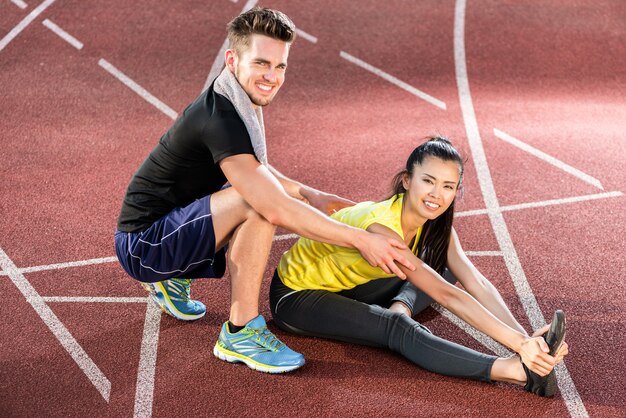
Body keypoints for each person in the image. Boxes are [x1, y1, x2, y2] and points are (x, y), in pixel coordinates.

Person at [114, 7, 414, 374]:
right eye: (261, 64)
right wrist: (360, 239)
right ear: (232, 59)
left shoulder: (235, 95)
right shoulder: (219, 118)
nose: (272, 77)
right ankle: (239, 332)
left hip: (166, 226)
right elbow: (272, 205)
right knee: (255, 205)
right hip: (144, 245)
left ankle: (173, 279)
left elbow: (256, 168)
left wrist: (309, 193)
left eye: (280, 66)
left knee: (256, 191)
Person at [270, 136, 569, 396]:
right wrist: (521, 354)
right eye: (428, 181)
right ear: (407, 180)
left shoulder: (438, 229)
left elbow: (475, 282)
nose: (437, 195)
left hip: (352, 287)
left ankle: (401, 305)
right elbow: (446, 295)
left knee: (445, 264)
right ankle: (515, 372)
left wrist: (526, 341)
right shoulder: (383, 228)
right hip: (298, 296)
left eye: (448, 186)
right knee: (397, 328)